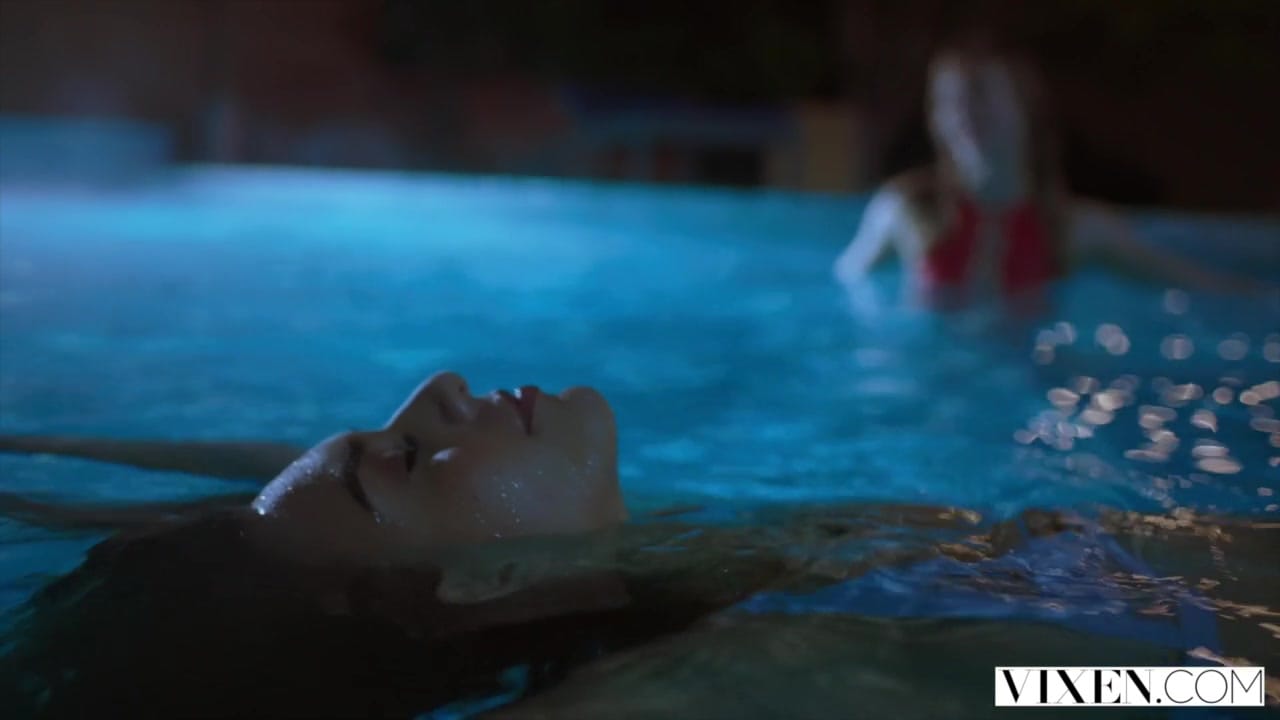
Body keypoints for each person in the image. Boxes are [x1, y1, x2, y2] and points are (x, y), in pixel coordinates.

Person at [832, 39, 1271, 309]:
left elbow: (1197, 284)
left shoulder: (1071, 228)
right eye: (949, 101)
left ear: (1026, 112)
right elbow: (845, 288)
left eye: (981, 95)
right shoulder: (906, 208)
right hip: (924, 393)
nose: (963, 114)